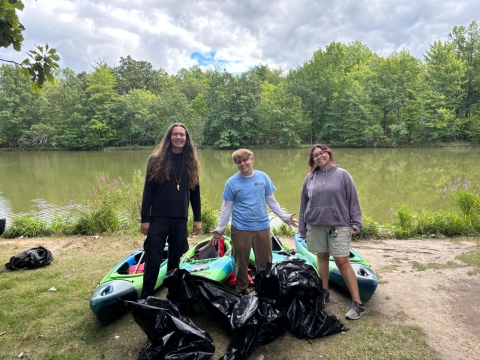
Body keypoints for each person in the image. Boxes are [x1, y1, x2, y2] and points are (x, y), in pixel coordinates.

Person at [209, 149, 298, 294]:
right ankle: (241, 289)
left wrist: (284, 217)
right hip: (240, 228)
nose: (242, 164)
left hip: (262, 227)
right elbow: (226, 208)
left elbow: (271, 201)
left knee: (265, 262)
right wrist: (220, 229)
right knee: (241, 263)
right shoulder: (231, 182)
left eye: (245, 160)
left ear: (252, 160)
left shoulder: (263, 177)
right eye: (239, 162)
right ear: (236, 164)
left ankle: (264, 289)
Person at [298, 144, 364, 320]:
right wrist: (302, 228)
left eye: (322, 153)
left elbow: (353, 200)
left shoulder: (342, 174)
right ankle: (324, 291)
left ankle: (357, 303)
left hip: (338, 224)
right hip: (316, 224)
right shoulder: (310, 178)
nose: (319, 157)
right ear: (312, 160)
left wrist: (356, 222)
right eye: (315, 156)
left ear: (328, 154)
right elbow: (304, 204)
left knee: (342, 261)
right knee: (322, 256)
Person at [140, 123, 201, 299]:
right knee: (153, 257)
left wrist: (197, 218)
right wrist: (145, 218)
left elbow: (195, 193)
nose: (179, 137)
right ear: (170, 137)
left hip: (180, 218)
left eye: (182, 135)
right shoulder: (155, 160)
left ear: (186, 139)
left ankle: (173, 294)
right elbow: (148, 191)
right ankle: (146, 296)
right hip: (158, 218)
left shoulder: (190, 162)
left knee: (175, 259)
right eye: (176, 134)